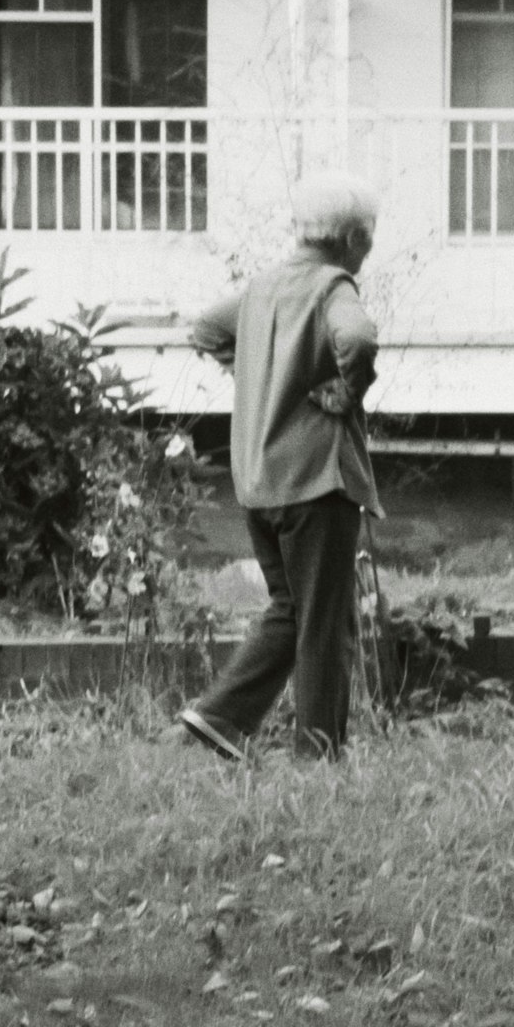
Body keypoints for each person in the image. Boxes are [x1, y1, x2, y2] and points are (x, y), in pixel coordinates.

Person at [170, 172, 384, 760]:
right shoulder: (333, 287)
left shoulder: (264, 288)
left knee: (294, 610)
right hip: (316, 479)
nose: (369, 249)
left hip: (260, 481)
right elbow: (359, 340)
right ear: (351, 238)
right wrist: (347, 390)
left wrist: (257, 377)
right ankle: (318, 753)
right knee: (323, 623)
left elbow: (208, 329)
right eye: (369, 237)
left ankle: (219, 717)